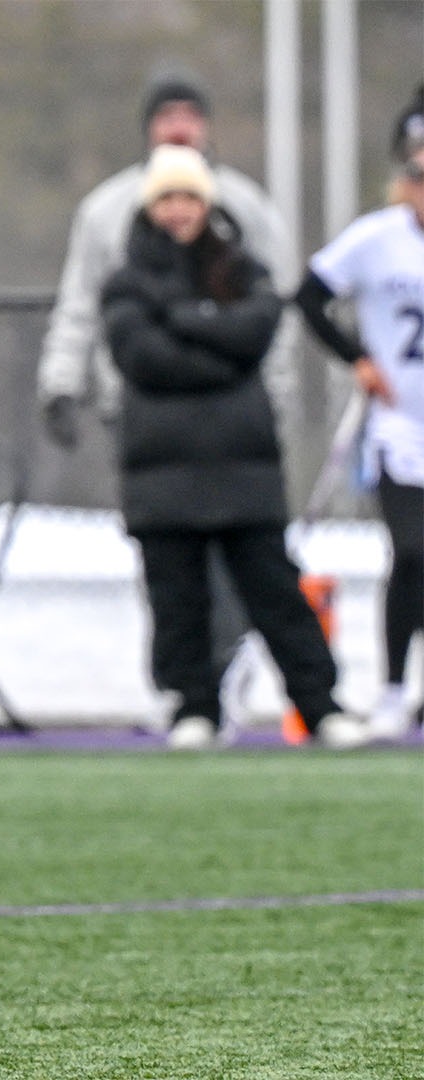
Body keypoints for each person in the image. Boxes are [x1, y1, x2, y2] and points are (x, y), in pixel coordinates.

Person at [37, 70, 297, 729]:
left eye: (190, 113)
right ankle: (189, 692)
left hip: (236, 417)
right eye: (166, 115)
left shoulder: (246, 210)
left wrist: (279, 396)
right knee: (173, 564)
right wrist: (61, 380)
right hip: (145, 412)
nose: (178, 126)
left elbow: (275, 317)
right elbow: (82, 305)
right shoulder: (107, 212)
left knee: (245, 564)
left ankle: (227, 667)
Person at [100, 146, 370, 751]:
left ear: (207, 203)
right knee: (178, 594)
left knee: (273, 588)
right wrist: (215, 343)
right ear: (150, 207)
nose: (179, 210)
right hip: (161, 466)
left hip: (242, 463)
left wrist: (180, 317)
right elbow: (142, 358)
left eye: (189, 197)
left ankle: (319, 705)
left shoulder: (241, 269)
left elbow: (256, 330)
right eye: (167, 198)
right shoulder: (125, 280)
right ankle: (192, 705)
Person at [292, 84, 424, 745]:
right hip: (402, 428)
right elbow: (309, 296)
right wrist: (357, 358)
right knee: (412, 551)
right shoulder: (378, 240)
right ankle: (397, 687)